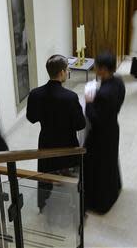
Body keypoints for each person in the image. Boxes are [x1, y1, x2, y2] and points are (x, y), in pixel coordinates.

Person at [26, 54, 86, 211]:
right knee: (73, 176)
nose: (67, 73)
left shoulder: (35, 94)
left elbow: (31, 118)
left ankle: (43, 204)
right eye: (67, 70)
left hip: (46, 142)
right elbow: (80, 124)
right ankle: (76, 204)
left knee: (45, 174)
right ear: (61, 72)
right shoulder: (70, 97)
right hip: (67, 145)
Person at [84, 52, 125, 214]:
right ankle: (114, 188)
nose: (94, 69)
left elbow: (94, 118)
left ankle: (100, 202)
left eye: (96, 66)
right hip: (113, 128)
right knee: (110, 161)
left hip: (100, 134)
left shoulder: (103, 94)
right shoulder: (119, 82)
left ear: (103, 69)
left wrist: (88, 102)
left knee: (97, 165)